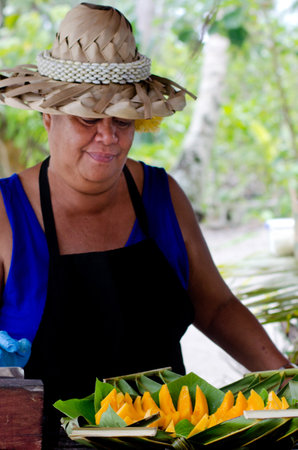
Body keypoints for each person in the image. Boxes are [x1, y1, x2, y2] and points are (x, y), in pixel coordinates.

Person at [0, 3, 294, 448]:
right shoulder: (6, 214)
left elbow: (215, 308)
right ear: (47, 115)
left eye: (122, 120)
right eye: (87, 119)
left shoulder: (161, 196)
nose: (108, 137)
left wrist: (288, 384)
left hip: (173, 439)